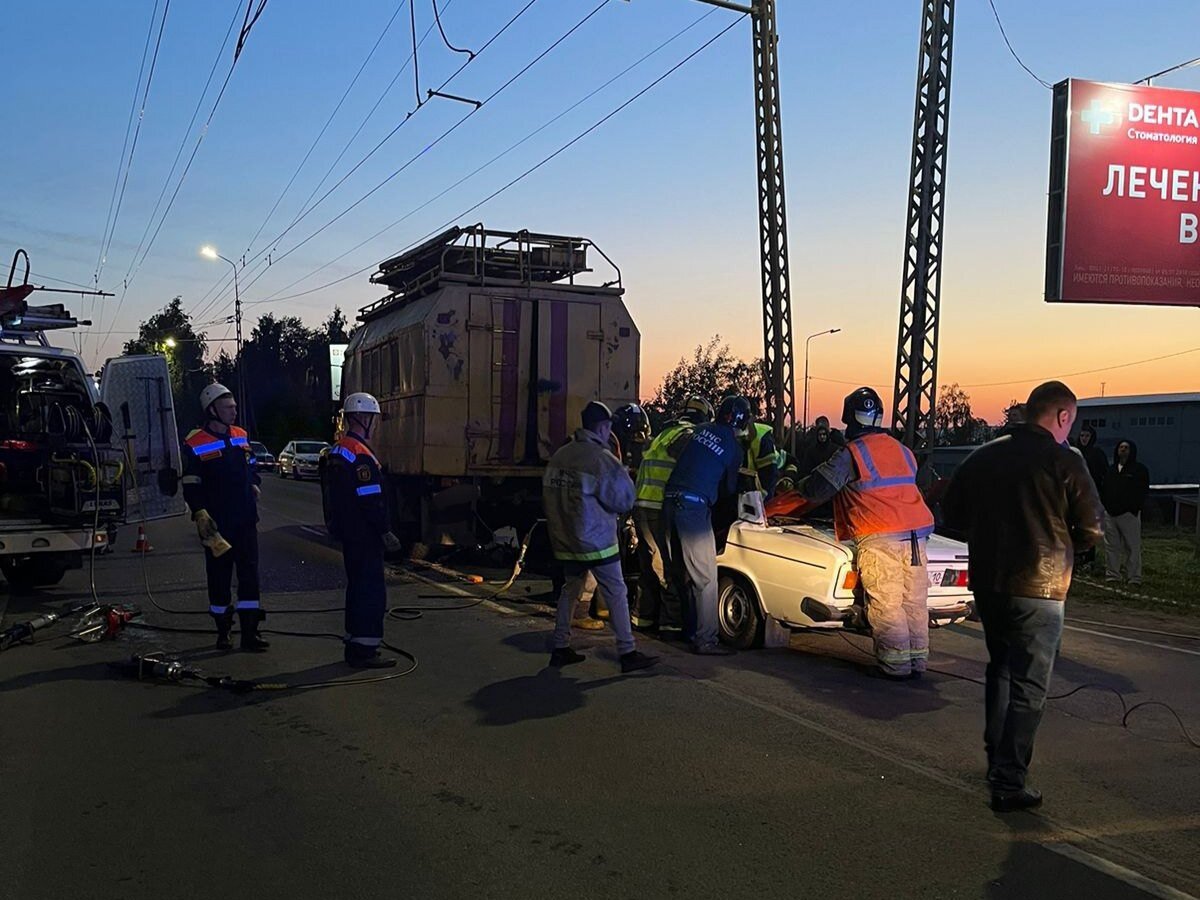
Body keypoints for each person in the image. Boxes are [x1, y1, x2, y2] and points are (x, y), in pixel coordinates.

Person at [942, 381, 1104, 813]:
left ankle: (997, 759)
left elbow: (952, 515)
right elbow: (1092, 531)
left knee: (1001, 670)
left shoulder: (984, 456)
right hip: (1041, 588)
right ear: (1063, 416)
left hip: (990, 582)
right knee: (1030, 684)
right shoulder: (1066, 461)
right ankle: (1010, 781)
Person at [794, 387, 935, 680]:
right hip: (916, 536)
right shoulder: (902, 450)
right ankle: (917, 663)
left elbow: (819, 488)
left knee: (887, 603)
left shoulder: (853, 453)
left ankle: (895, 666)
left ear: (849, 419)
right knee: (913, 601)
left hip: (881, 534)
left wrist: (797, 486)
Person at [542, 401, 658, 673]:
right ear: (604, 427)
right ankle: (628, 652)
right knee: (617, 592)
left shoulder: (561, 455)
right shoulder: (601, 460)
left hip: (565, 538)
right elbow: (624, 500)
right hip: (597, 542)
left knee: (570, 591)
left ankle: (560, 647)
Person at [181, 383, 269, 652]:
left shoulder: (241, 435)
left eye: (234, 407)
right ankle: (223, 631)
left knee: (249, 576)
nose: (234, 411)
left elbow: (251, 464)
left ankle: (250, 633)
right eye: (228, 407)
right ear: (212, 410)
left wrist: (253, 481)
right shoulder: (195, 442)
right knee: (219, 578)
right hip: (216, 523)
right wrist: (199, 511)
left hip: (245, 520)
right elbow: (191, 481)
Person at [661, 395, 750, 656]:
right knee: (707, 578)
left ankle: (689, 629)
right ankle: (706, 640)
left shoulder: (699, 431)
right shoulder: (734, 448)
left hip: (668, 504)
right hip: (693, 509)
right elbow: (729, 488)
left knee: (683, 573)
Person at [322, 392, 402, 668]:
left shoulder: (339, 450)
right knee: (370, 591)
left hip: (349, 532)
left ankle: (355, 642)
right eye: (374, 419)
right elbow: (370, 499)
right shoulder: (361, 455)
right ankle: (365, 650)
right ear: (363, 419)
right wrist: (385, 530)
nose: (376, 424)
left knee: (357, 587)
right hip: (365, 534)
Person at [631, 395, 713, 636]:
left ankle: (642, 619)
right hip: (657, 506)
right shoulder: (688, 435)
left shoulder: (666, 432)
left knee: (648, 567)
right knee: (668, 567)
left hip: (642, 504)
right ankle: (672, 625)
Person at [1101, 439, 1150, 585]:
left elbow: (1142, 491)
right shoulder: (1111, 470)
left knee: (1132, 547)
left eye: (1126, 447)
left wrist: (1134, 508)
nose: (1123, 449)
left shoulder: (1139, 470)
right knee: (1111, 547)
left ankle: (1134, 577)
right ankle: (1112, 576)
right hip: (1110, 514)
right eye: (1121, 447)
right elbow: (1104, 489)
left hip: (1129, 514)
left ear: (1132, 450)